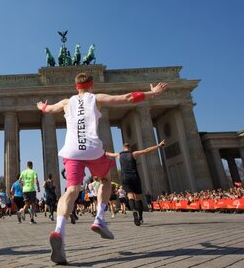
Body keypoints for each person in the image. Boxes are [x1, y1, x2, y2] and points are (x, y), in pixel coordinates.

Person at [37, 72, 167, 264]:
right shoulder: (96, 98)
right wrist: (152, 93)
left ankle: (59, 230)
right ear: (91, 85)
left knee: (71, 190)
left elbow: (49, 110)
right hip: (92, 149)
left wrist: (43, 106)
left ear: (76, 87)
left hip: (72, 151)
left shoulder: (66, 102)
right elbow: (127, 98)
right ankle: (99, 218)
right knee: (106, 180)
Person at [106, 139, 165, 226]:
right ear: (129, 148)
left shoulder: (119, 155)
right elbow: (146, 150)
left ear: (123, 148)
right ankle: (140, 217)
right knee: (138, 198)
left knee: (130, 197)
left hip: (125, 178)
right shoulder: (133, 154)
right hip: (134, 177)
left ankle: (133, 211)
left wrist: (96, 150)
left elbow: (107, 154)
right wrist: (159, 145)